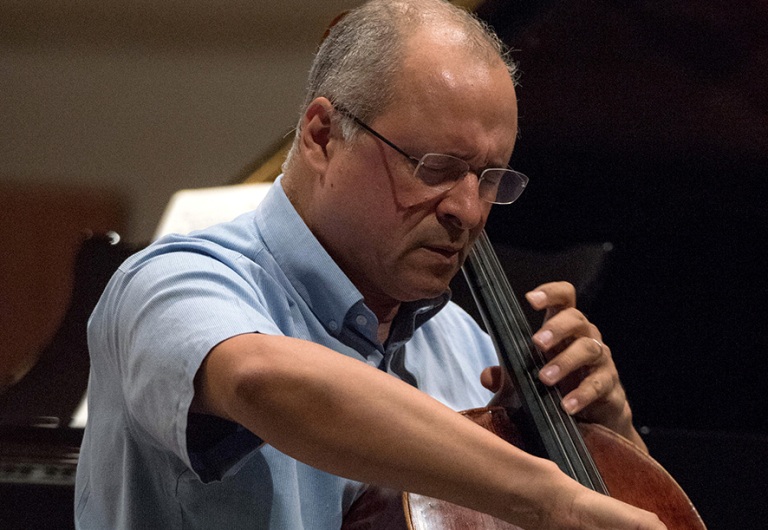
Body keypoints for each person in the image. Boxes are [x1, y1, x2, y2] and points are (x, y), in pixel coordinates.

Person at [75, 1, 665, 528]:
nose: (467, 210)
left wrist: (609, 438)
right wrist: (543, 495)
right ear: (322, 134)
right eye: (435, 167)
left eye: (490, 179)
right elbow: (263, 380)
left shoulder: (468, 346)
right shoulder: (174, 284)